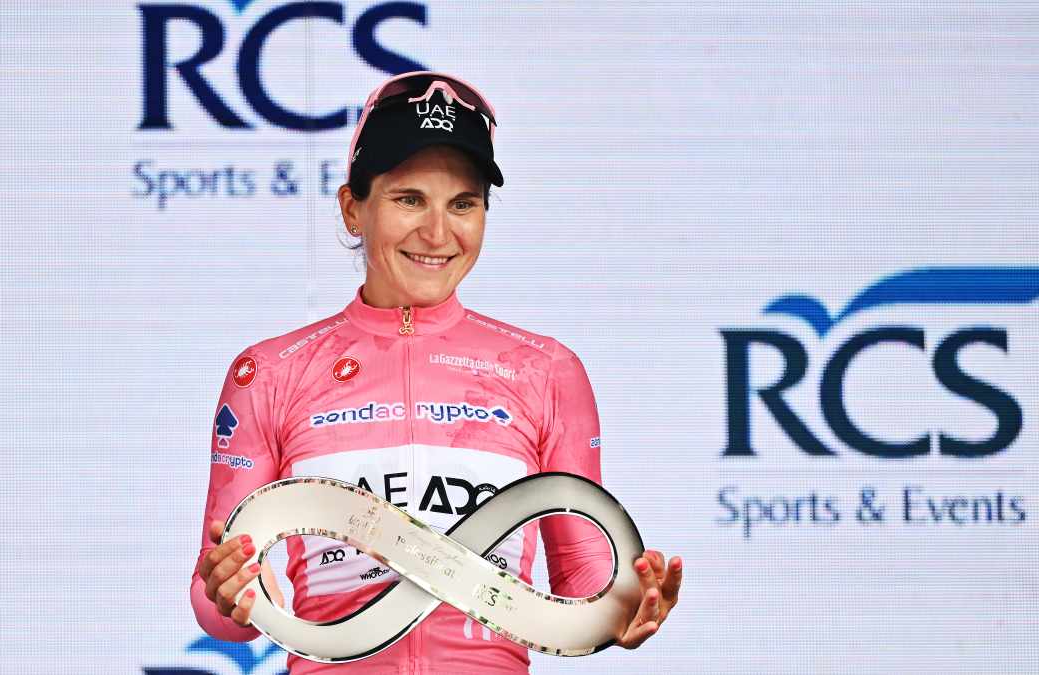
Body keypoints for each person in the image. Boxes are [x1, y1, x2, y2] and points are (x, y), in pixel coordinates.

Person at [191, 71, 683, 674]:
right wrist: (232, 594)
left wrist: (628, 607)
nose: (437, 232)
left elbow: (583, 577)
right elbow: (217, 606)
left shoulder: (544, 370)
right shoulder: (270, 372)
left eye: (463, 204)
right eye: (409, 199)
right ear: (352, 208)